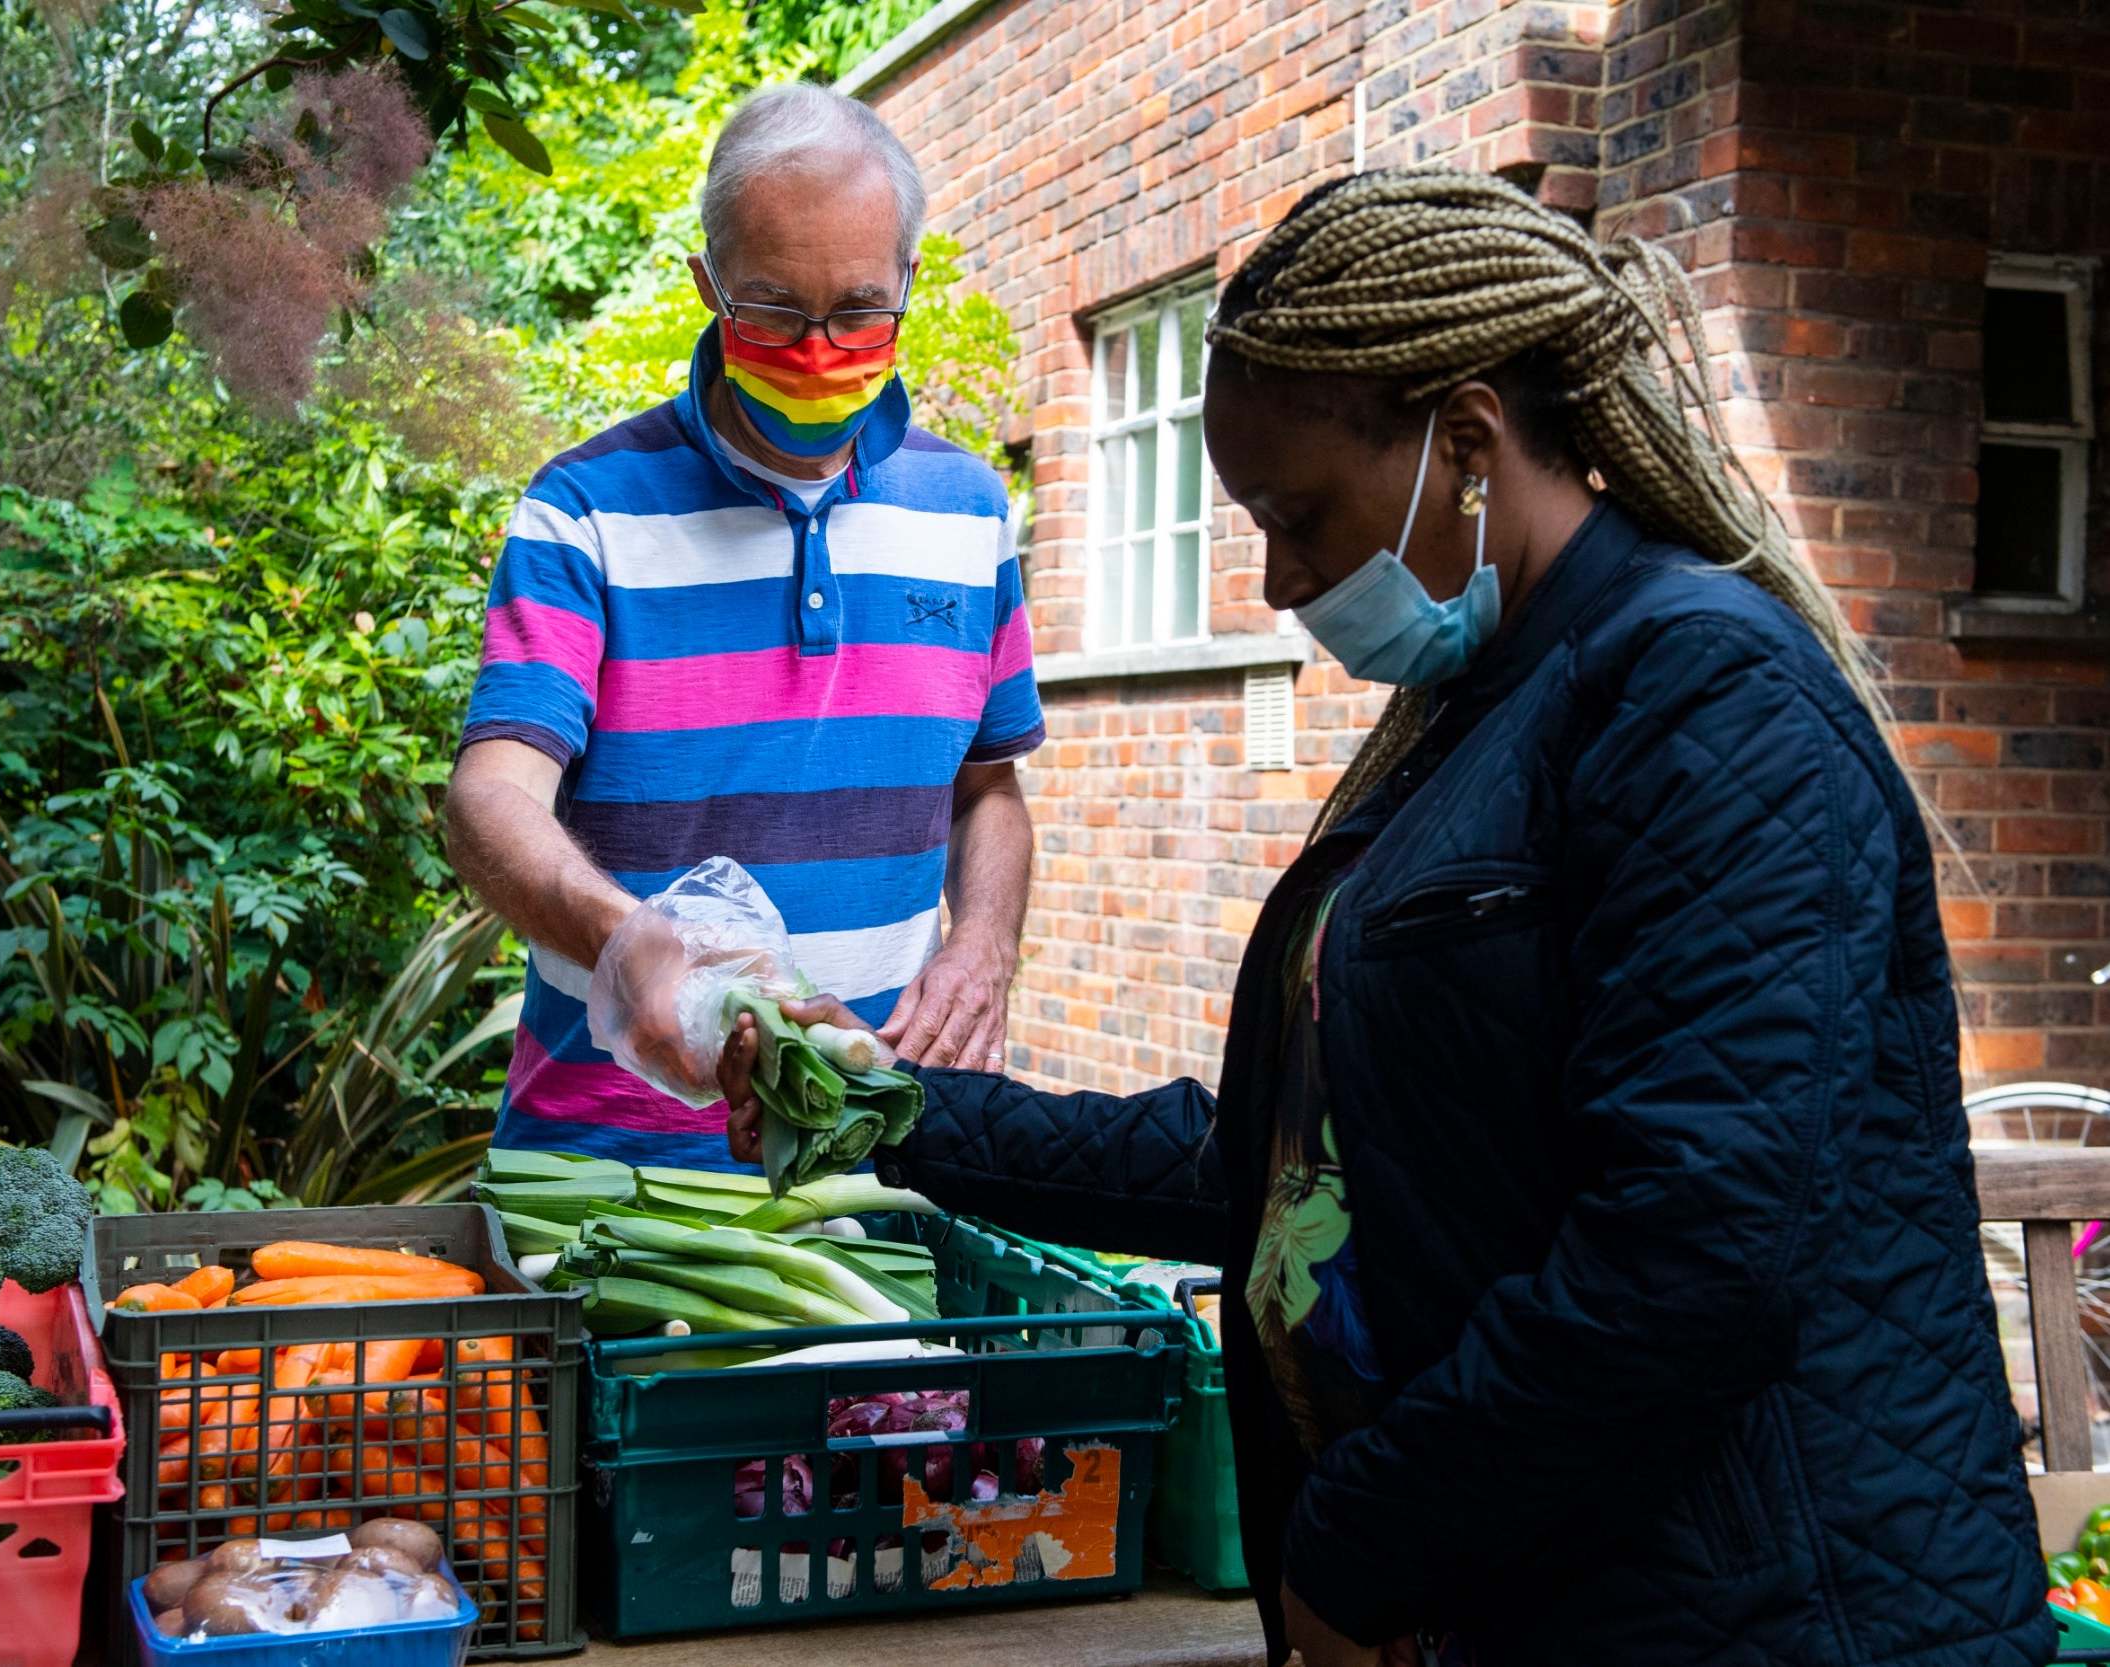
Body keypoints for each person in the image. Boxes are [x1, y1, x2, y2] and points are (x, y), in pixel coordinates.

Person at [722, 170, 2050, 1667]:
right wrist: (898, 1108)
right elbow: (1302, 1163)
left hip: (1761, 1616)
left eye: (1297, 515)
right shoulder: (1477, 712)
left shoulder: (1699, 694)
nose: (1283, 579)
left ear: (1467, 442)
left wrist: (1359, 1541)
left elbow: (1687, 1254)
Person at [447, 84, 1042, 1170]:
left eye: (858, 312)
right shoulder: (582, 509)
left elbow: (988, 788)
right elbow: (489, 797)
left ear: (907, 282)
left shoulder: (968, 511)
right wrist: (622, 936)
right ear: (707, 284)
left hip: (865, 1170)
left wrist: (985, 941)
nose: (818, 352)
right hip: (604, 1184)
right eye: (772, 311)